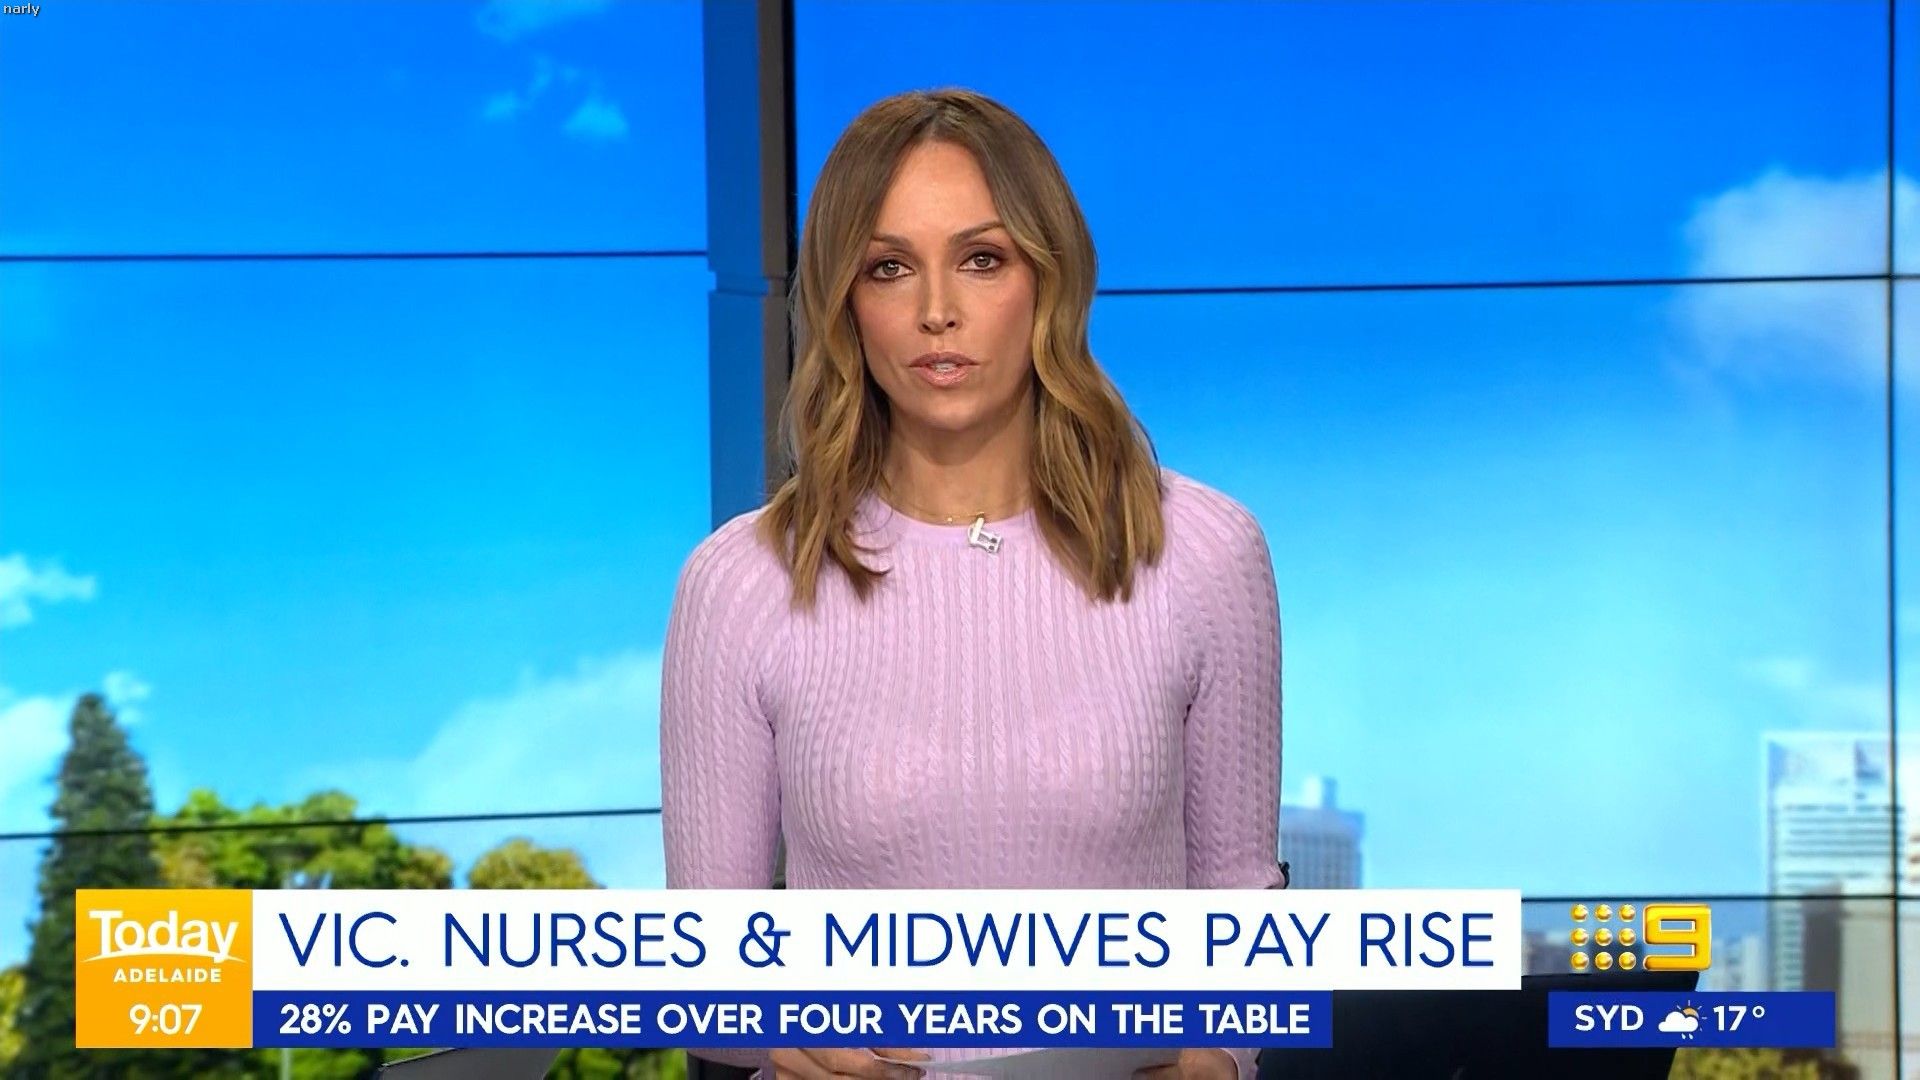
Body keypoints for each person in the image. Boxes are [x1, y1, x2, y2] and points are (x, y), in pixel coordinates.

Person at [661, 87, 1285, 1080]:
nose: (937, 311)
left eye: (982, 259)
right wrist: (783, 1034)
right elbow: (707, 967)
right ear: (844, 301)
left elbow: (1241, 906)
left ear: (1049, 278)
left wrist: (1223, 1055)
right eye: (890, 267)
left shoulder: (1202, 551)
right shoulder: (741, 583)